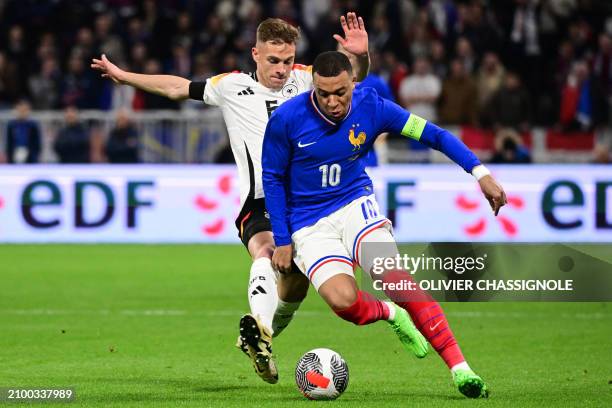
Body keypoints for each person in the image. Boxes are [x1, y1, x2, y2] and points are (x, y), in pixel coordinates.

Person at [91, 13, 371, 384]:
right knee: (267, 252)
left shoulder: (306, 78)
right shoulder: (231, 86)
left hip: (308, 201)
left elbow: (354, 78)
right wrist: (125, 76)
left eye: (287, 60)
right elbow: (177, 87)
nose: (282, 69)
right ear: (255, 54)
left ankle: (261, 336)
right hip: (259, 200)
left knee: (294, 284)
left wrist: (362, 56)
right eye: (273, 61)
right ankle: (259, 327)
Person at [262, 51, 507, 398]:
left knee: (396, 278)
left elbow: (433, 135)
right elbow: (271, 178)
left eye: (340, 92)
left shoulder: (372, 106)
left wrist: (479, 173)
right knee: (343, 302)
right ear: (313, 86)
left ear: (354, 84)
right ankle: (390, 314)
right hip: (307, 221)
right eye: (323, 93)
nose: (332, 101)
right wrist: (283, 239)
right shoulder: (286, 119)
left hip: (354, 205)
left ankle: (461, 369)